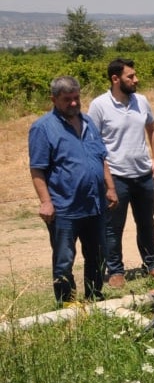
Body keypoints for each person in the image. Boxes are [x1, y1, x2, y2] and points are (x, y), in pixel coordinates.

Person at [28, 75, 118, 306]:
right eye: (67, 99)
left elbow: (101, 159)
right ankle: (67, 303)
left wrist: (110, 187)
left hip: (94, 204)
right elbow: (37, 169)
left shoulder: (88, 123)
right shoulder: (43, 128)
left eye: (77, 98)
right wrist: (46, 202)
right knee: (64, 259)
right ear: (54, 99)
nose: (74, 104)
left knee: (98, 255)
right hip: (64, 207)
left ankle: (94, 296)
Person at [87, 57, 154, 288]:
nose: (136, 79)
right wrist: (104, 177)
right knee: (113, 226)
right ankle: (115, 270)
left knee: (146, 222)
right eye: (131, 76)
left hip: (143, 175)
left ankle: (151, 264)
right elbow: (93, 142)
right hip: (116, 176)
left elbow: (152, 127)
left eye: (135, 75)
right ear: (115, 78)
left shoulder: (141, 101)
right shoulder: (99, 105)